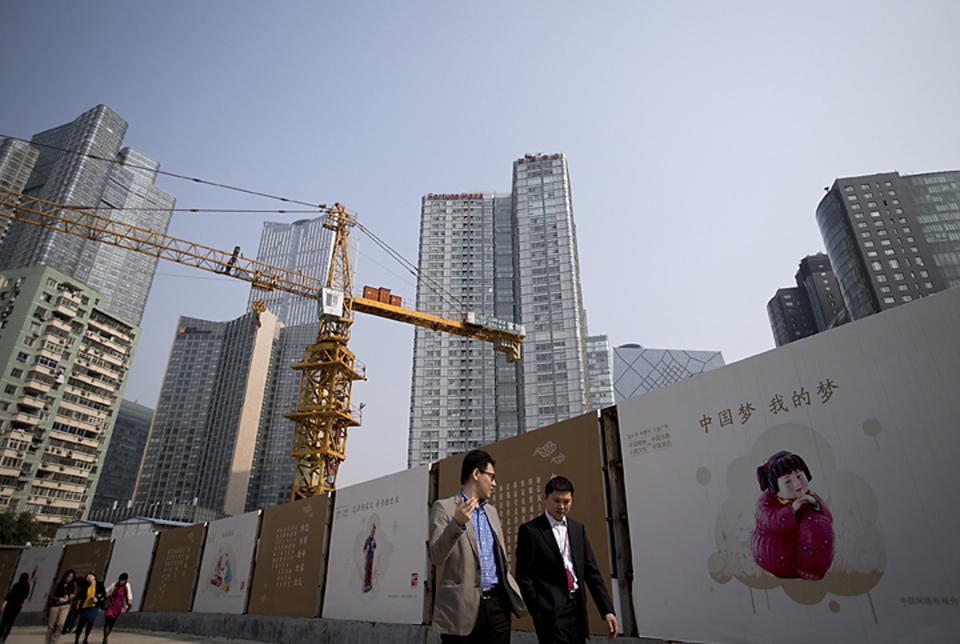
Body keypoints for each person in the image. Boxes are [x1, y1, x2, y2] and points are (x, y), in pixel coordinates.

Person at [428, 449, 525, 643]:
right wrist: (457, 524)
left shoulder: (492, 512)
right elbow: (436, 556)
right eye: (491, 476)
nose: (494, 483)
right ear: (476, 474)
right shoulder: (444, 508)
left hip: (498, 607)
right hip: (462, 609)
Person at [516, 476, 618, 643]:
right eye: (557, 501)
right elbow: (523, 575)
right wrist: (538, 610)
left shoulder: (578, 529)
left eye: (567, 502)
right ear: (545, 497)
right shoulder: (531, 531)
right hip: (550, 613)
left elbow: (592, 573)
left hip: (577, 609)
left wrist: (607, 610)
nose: (562, 507)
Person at [750, 450, 834, 580]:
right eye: (787, 481)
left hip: (803, 551)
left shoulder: (810, 495)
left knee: (816, 521)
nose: (797, 484)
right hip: (777, 552)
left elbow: (828, 518)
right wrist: (792, 509)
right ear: (775, 487)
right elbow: (771, 521)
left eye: (799, 476)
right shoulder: (766, 502)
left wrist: (815, 504)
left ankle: (813, 568)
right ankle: (799, 567)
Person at [72, 572, 105, 644]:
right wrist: (78, 604)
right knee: (81, 623)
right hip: (85, 606)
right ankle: (77, 638)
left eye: (90, 576)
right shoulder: (85, 586)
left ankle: (86, 638)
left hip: (93, 606)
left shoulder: (99, 585)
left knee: (90, 621)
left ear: (94, 577)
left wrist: (98, 598)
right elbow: (80, 596)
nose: (89, 578)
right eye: (87, 577)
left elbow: (103, 595)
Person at [46, 569, 77, 644]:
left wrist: (69, 598)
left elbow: (74, 593)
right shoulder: (58, 584)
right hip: (55, 605)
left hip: (65, 606)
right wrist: (58, 599)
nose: (69, 578)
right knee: (51, 626)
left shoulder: (73, 584)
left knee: (60, 624)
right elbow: (51, 595)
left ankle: (54, 641)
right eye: (68, 576)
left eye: (71, 577)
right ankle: (48, 641)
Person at [102, 573, 133, 644]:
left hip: (118, 606)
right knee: (107, 619)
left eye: (123, 580)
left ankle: (107, 633)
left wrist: (129, 602)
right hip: (111, 604)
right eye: (121, 580)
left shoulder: (126, 586)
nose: (122, 582)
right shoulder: (114, 585)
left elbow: (129, 594)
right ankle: (105, 638)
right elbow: (107, 591)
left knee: (112, 622)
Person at [0, 573, 30, 643]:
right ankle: (4, 638)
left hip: (10, 605)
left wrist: (4, 604)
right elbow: (25, 596)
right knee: (10, 622)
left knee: (4, 622)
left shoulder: (16, 585)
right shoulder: (27, 586)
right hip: (16, 607)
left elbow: (9, 595)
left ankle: (1, 635)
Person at [362, 524, 376, 592]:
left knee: (370, 571)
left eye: (374, 532)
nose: (373, 533)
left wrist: (373, 546)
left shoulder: (373, 540)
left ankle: (369, 584)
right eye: (372, 531)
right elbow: (364, 549)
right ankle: (365, 585)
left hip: (371, 558)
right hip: (367, 558)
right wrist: (365, 552)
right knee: (366, 571)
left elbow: (374, 547)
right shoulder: (367, 540)